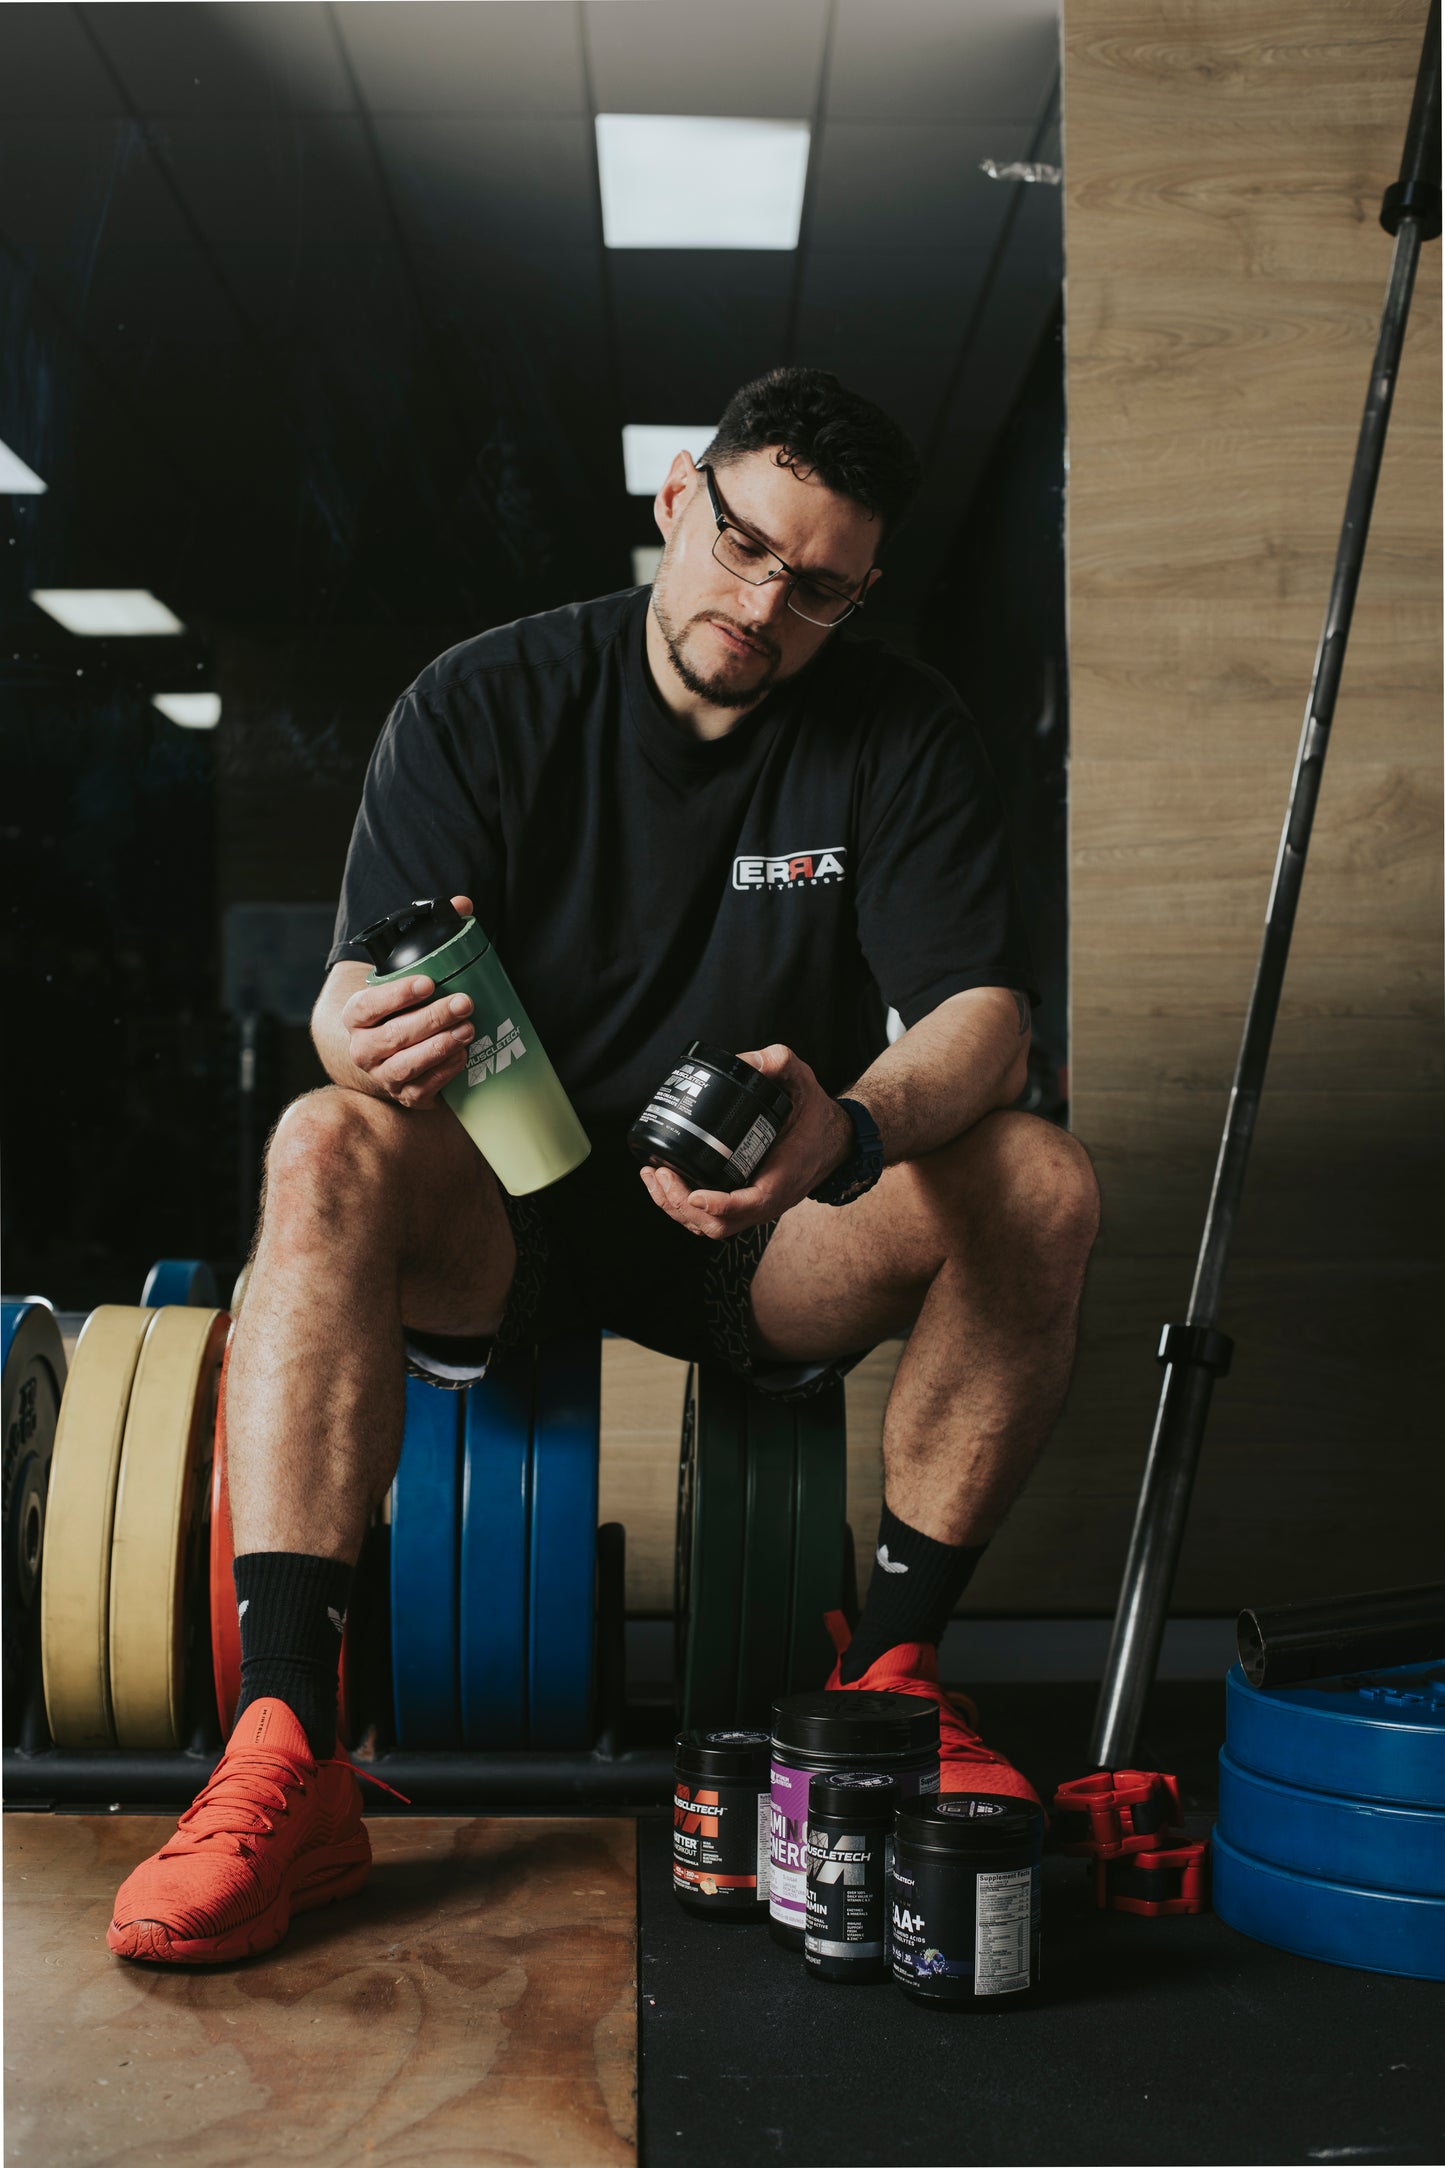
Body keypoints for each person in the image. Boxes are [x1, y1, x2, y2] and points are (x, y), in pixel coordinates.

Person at [109, 367, 1099, 1966]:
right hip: (506, 1208)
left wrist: (845, 1125)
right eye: (744, 546)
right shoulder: (485, 700)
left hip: (755, 1224)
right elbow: (352, 991)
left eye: (819, 588)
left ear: (861, 592)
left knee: (1036, 1176)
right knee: (320, 1136)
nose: (765, 606)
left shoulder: (895, 727)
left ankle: (892, 1678)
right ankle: (288, 1750)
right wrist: (355, 1035)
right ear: (678, 500)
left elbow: (981, 1018)